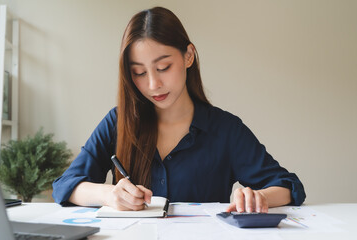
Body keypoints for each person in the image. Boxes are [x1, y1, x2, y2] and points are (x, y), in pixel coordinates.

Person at [52, 7, 306, 213]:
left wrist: (257, 197)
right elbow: (65, 186)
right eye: (139, 73)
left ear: (188, 56)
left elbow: (288, 186)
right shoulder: (119, 121)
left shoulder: (225, 129)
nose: (153, 84)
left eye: (163, 67)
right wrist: (108, 194)